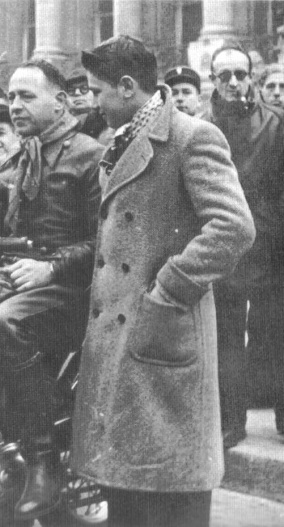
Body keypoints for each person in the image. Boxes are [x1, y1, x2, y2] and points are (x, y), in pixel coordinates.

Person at [73, 35, 255, 527]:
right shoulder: (122, 139)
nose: (92, 101)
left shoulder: (191, 136)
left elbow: (233, 227)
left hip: (164, 333)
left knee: (170, 494)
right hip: (133, 340)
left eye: (97, 91)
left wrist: (168, 291)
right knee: (130, 492)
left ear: (126, 86)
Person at [0, 59, 104, 520]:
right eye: (11, 97)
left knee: (7, 322)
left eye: (26, 96)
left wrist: (51, 269)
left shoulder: (93, 157)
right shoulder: (12, 161)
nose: (15, 106)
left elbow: (106, 240)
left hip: (72, 289)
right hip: (15, 279)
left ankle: (43, 459)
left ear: (60, 102)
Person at [203, 43, 284, 449]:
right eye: (225, 76)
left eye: (241, 74)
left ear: (251, 77)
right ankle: (230, 421)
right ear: (213, 79)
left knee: (275, 330)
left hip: (271, 244)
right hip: (223, 244)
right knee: (225, 338)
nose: (234, 83)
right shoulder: (201, 127)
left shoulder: (277, 123)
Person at [66, 69, 112, 144]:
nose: (77, 93)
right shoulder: (64, 125)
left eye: (84, 89)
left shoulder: (109, 123)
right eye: (71, 90)